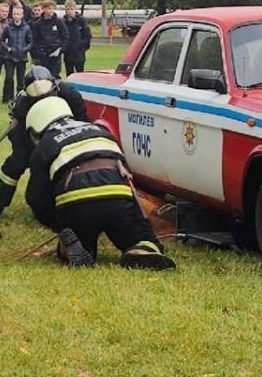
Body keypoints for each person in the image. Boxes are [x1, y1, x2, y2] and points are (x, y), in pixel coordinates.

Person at [24, 96, 175, 270]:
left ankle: (73, 248)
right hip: (118, 197)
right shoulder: (100, 131)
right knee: (140, 238)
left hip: (78, 203)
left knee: (79, 238)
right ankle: (142, 251)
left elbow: (36, 197)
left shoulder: (44, 145)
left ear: (36, 128)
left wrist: (59, 225)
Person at [0, 65, 89, 221]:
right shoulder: (23, 103)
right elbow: (20, 136)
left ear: (54, 87)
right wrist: (34, 153)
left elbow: (83, 122)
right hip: (32, 137)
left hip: (65, 136)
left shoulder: (69, 94)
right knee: (16, 163)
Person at [0, 4, 31, 103]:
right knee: (9, 77)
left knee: (20, 79)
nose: (16, 16)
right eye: (14, 14)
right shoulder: (8, 27)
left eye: (18, 14)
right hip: (10, 56)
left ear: (22, 15)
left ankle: (19, 98)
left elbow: (30, 42)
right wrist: (8, 49)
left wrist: (25, 49)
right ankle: (8, 97)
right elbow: (2, 40)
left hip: (22, 57)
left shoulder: (26, 28)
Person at [30, 0, 69, 78]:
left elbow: (65, 37)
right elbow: (34, 40)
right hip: (43, 56)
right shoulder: (38, 24)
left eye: (52, 8)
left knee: (55, 77)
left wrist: (61, 50)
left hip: (56, 55)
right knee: (44, 77)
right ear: (44, 9)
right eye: (49, 8)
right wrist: (39, 51)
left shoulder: (59, 22)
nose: (51, 11)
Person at [63, 0, 92, 75]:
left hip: (79, 53)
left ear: (75, 9)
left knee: (80, 74)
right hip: (68, 53)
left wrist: (82, 47)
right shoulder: (63, 22)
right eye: (68, 9)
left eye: (71, 9)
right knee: (69, 74)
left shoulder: (81, 20)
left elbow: (87, 36)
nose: (70, 11)